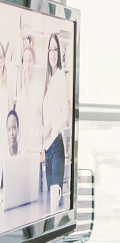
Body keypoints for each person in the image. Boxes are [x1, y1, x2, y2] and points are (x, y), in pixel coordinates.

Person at [42, 33, 69, 194]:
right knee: (49, 201)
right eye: (50, 49)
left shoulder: (61, 77)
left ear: (59, 53)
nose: (53, 53)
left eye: (55, 49)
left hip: (56, 146)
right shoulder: (49, 80)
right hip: (47, 148)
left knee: (54, 199)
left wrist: (50, 125)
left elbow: (64, 114)